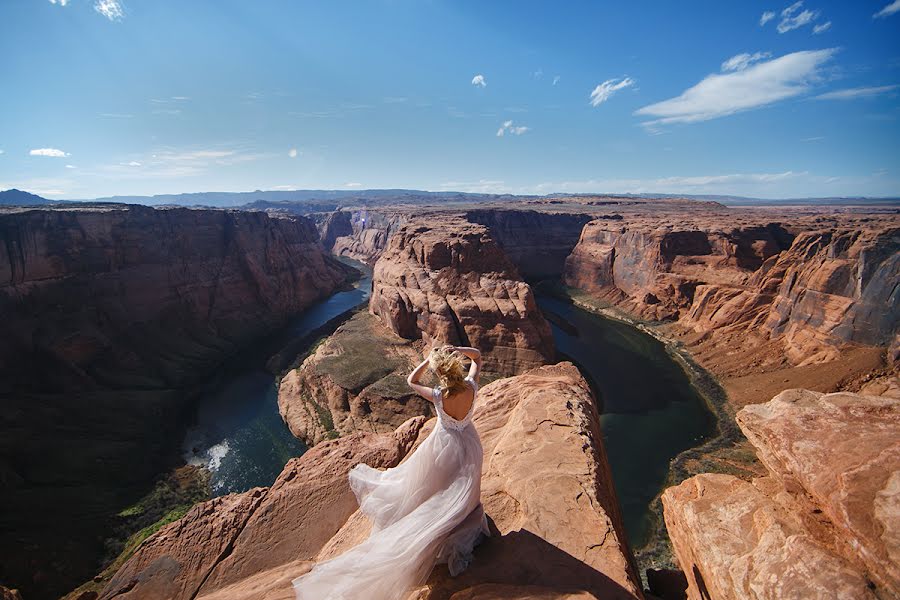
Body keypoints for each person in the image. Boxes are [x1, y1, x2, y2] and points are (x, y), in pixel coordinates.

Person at [293, 344, 490, 600]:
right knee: (465, 484)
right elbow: (477, 356)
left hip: (444, 445)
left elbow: (411, 381)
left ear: (441, 374)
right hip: (469, 442)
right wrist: (459, 349)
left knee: (436, 486)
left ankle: (436, 520)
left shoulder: (439, 395)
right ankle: (461, 519)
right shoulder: (471, 386)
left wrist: (428, 359)